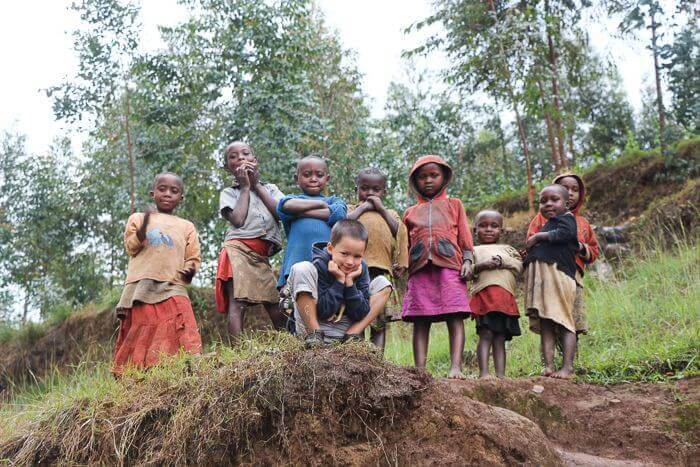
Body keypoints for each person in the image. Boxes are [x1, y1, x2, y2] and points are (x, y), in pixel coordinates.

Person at [112, 172, 202, 375]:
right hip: (140, 285)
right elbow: (131, 247)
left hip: (173, 285)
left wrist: (189, 271)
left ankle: (192, 367)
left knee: (182, 318)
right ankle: (141, 373)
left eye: (174, 191)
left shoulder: (187, 226)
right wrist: (144, 227)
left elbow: (193, 257)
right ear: (153, 193)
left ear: (181, 197)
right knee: (143, 326)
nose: (167, 194)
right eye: (162, 189)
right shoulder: (137, 218)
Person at [402, 155, 474, 379]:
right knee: (421, 320)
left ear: (444, 178)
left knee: (455, 316)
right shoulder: (410, 213)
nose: (429, 180)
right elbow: (404, 244)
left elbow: (464, 235)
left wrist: (469, 259)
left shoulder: (455, 205)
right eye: (423, 177)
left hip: (450, 267)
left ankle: (455, 367)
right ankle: (420, 371)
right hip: (420, 270)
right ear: (416, 182)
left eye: (434, 175)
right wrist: (401, 265)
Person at [214, 141, 287, 337]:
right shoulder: (230, 193)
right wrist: (246, 187)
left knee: (274, 301)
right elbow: (237, 220)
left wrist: (255, 185)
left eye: (246, 154)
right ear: (228, 167)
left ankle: (290, 345)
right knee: (238, 302)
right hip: (237, 250)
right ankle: (237, 353)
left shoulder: (270, 189)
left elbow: (281, 214)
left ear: (255, 161)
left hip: (261, 257)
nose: (240, 158)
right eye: (233, 156)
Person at [288, 220, 389, 347]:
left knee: (383, 283)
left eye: (357, 256)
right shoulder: (320, 264)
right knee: (301, 268)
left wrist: (349, 283)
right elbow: (324, 311)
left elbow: (360, 312)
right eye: (344, 254)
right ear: (330, 248)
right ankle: (314, 334)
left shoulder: (360, 269)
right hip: (318, 328)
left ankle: (352, 335)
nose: (350, 262)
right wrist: (339, 281)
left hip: (344, 332)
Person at [276, 156, 346, 330]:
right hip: (295, 266)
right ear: (297, 178)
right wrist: (322, 208)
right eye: (307, 174)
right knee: (294, 307)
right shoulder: (291, 199)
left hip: (326, 267)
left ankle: (320, 339)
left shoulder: (334, 200)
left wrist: (302, 212)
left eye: (319, 174)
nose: (313, 178)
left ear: (327, 178)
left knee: (324, 305)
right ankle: (297, 347)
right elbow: (285, 206)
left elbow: (339, 214)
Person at [527, 173, 599, 336]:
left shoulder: (582, 223)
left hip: (573, 279)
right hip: (547, 277)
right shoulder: (540, 220)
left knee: (571, 323)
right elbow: (530, 244)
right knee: (548, 323)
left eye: (575, 189)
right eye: (565, 188)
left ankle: (571, 361)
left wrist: (580, 247)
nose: (571, 192)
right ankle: (548, 362)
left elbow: (594, 251)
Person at [346, 167, 408, 351]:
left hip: (381, 272)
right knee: (355, 315)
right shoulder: (352, 209)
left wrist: (402, 263)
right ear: (356, 188)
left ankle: (377, 360)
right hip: (354, 271)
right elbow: (345, 223)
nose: (370, 193)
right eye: (365, 188)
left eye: (376, 189)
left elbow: (400, 232)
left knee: (378, 321)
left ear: (384, 192)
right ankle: (357, 356)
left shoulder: (390, 213)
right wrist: (363, 207)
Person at [524, 185, 579, 379]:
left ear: (566, 203)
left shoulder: (567, 219)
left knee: (564, 321)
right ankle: (548, 366)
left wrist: (538, 236)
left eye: (554, 199)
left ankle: (567, 367)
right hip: (544, 280)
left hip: (559, 276)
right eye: (543, 200)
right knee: (546, 322)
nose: (548, 204)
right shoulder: (548, 224)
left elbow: (566, 234)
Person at [470, 210, 523, 379]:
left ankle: (501, 376)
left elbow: (518, 266)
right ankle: (484, 373)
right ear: (474, 230)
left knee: (500, 337)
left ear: (502, 231)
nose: (488, 229)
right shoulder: (472, 250)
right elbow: (466, 272)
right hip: (484, 297)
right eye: (483, 225)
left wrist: (502, 260)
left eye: (494, 226)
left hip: (505, 298)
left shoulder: (508, 249)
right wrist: (483, 265)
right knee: (485, 335)